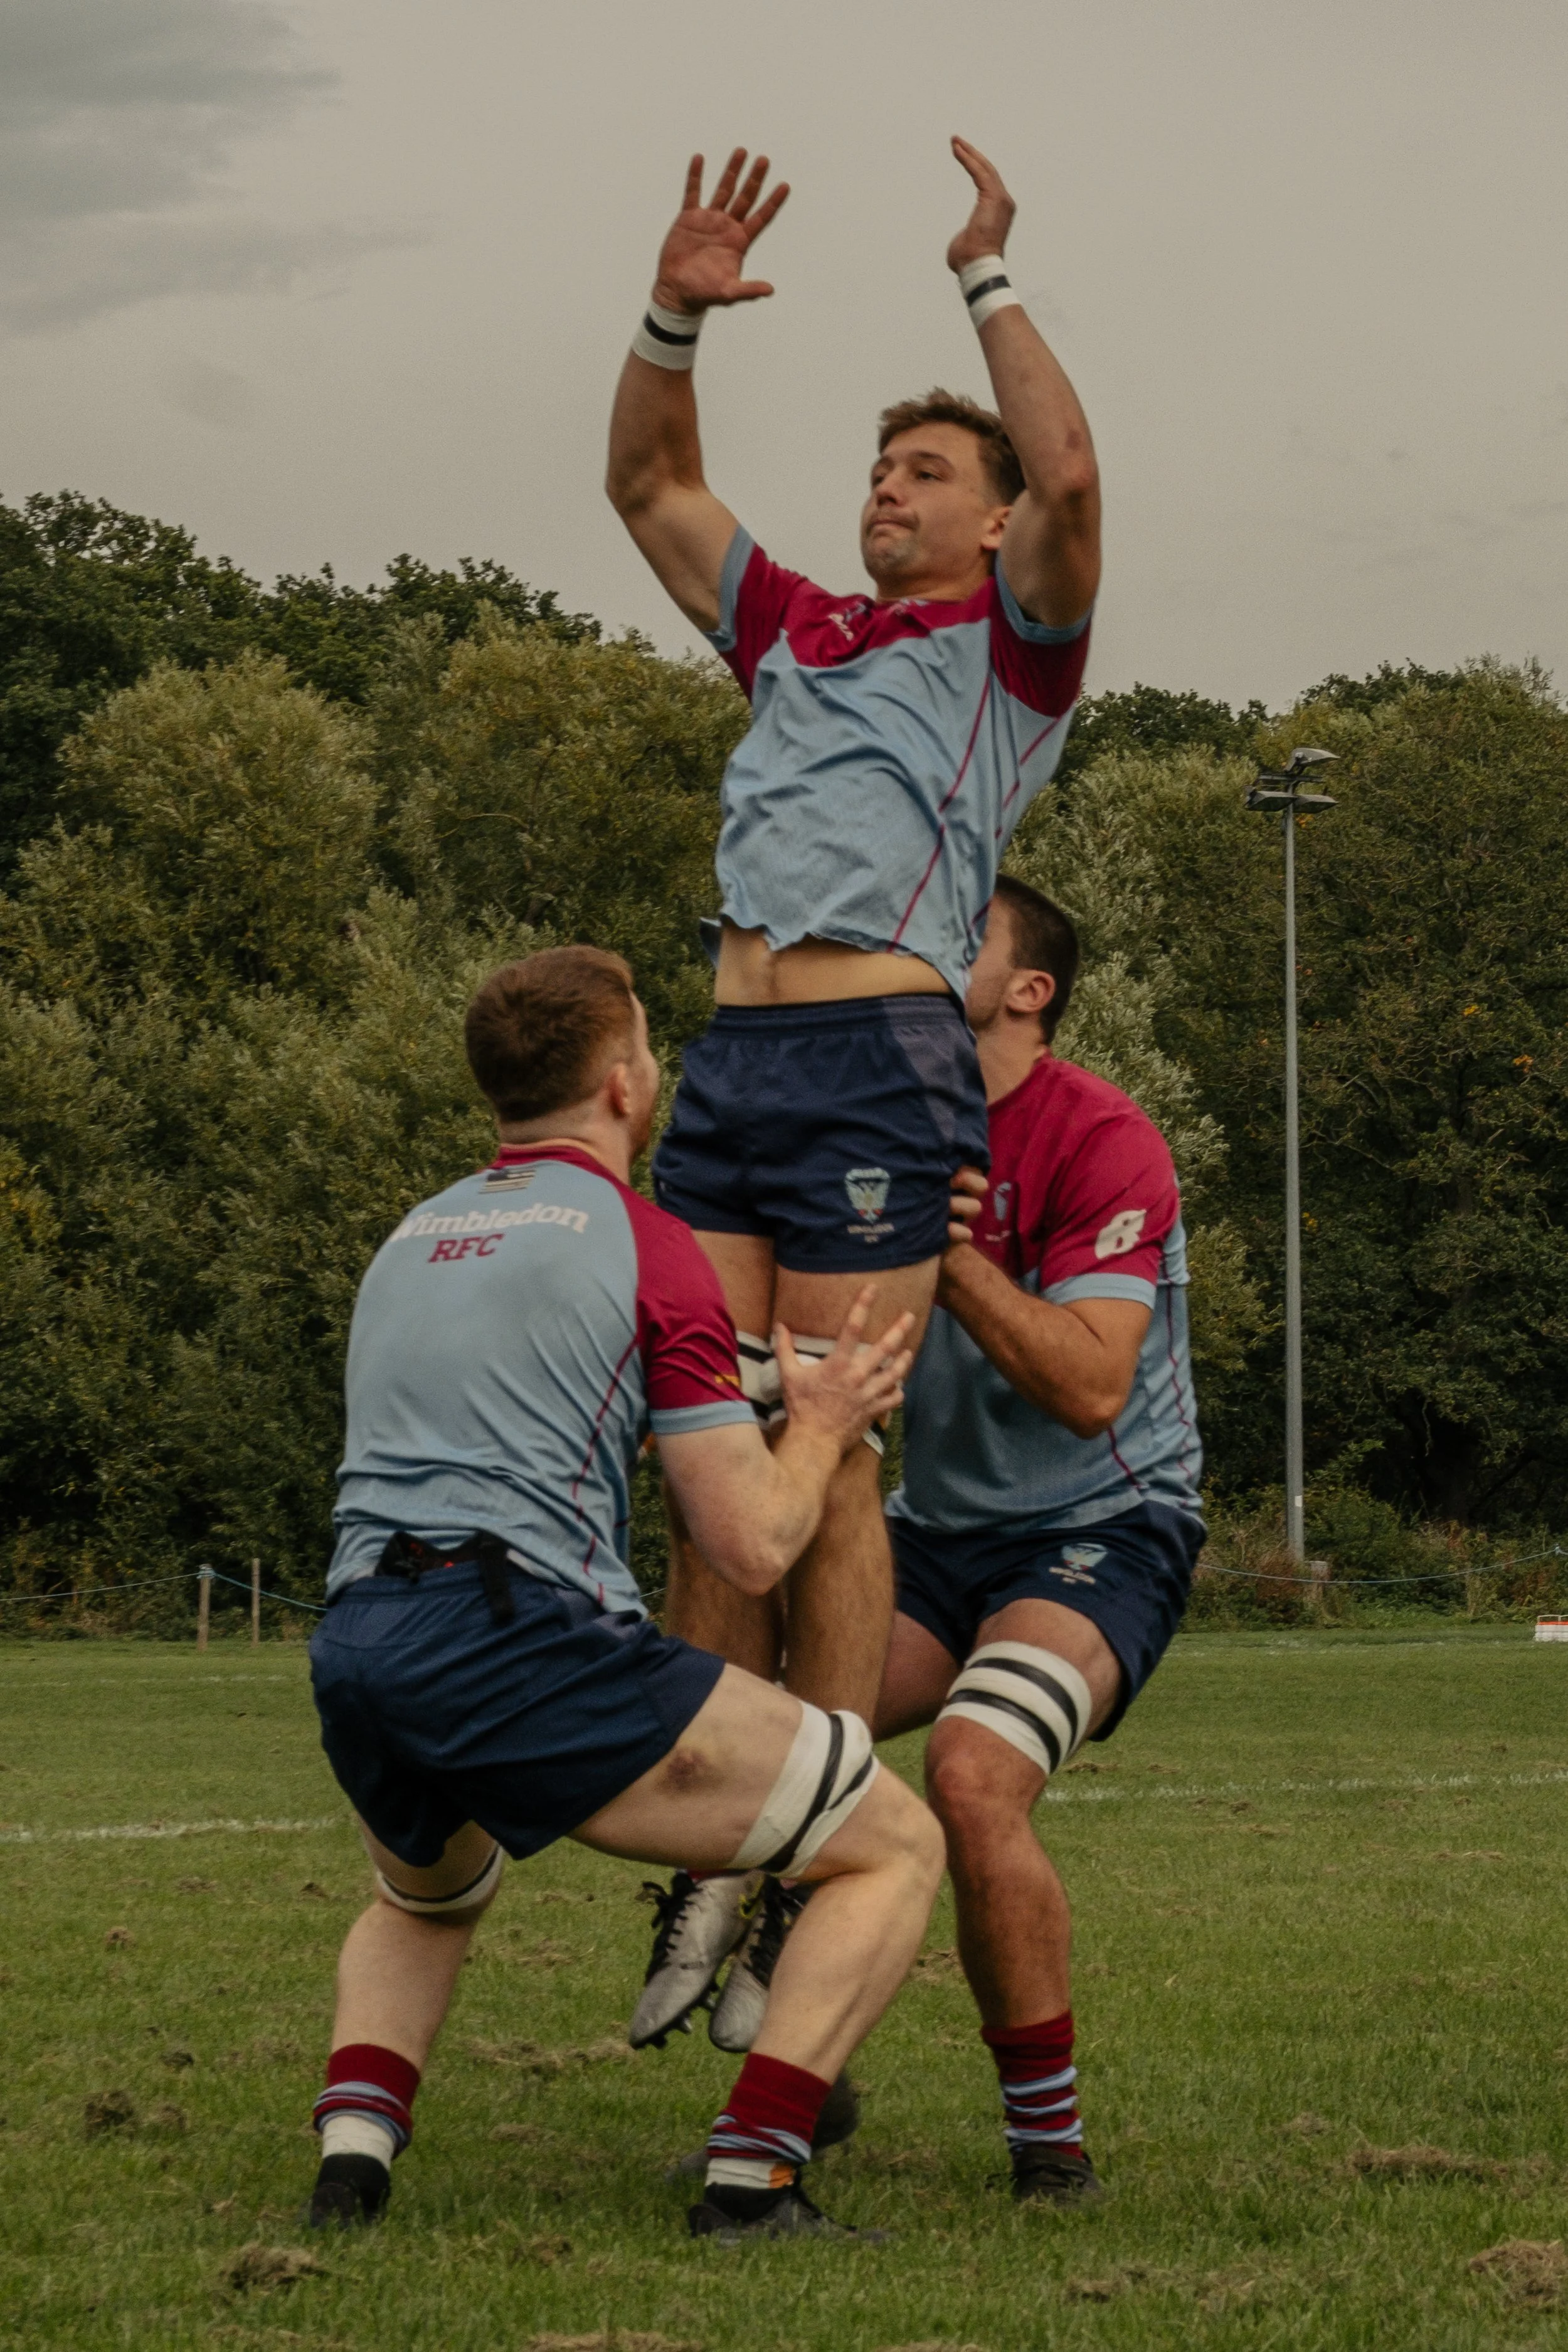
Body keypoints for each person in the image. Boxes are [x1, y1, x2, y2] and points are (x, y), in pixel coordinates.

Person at [607, 135, 1101, 2045]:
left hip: (883, 1057)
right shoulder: (797, 633)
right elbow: (647, 477)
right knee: (715, 1472)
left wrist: (984, 276)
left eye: (923, 471)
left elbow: (1070, 472)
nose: (886, 489)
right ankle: (705, 1847)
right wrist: (672, 307)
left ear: (985, 529)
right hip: (732, 1061)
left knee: (832, 1459)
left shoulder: (1010, 655)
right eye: (879, 468)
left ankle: (796, 1857)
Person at [302, 945, 944, 2243]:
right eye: (649, 1042)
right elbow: (752, 1545)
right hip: (508, 1635)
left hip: (357, 1638)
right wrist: (818, 1422)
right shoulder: (646, 1245)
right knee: (890, 1843)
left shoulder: (413, 1233)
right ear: (620, 1081)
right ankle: (752, 2184)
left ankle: (348, 2177)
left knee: (427, 1895)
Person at [875, 876, 1205, 2203]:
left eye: (964, 936)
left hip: (1102, 1526)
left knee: (968, 1774)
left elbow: (1086, 1385)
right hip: (931, 1533)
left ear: (1029, 991)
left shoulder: (1103, 1135)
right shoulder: (881, 1120)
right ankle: (790, 2090)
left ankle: (1046, 2148)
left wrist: (948, 1261)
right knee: (768, 1747)